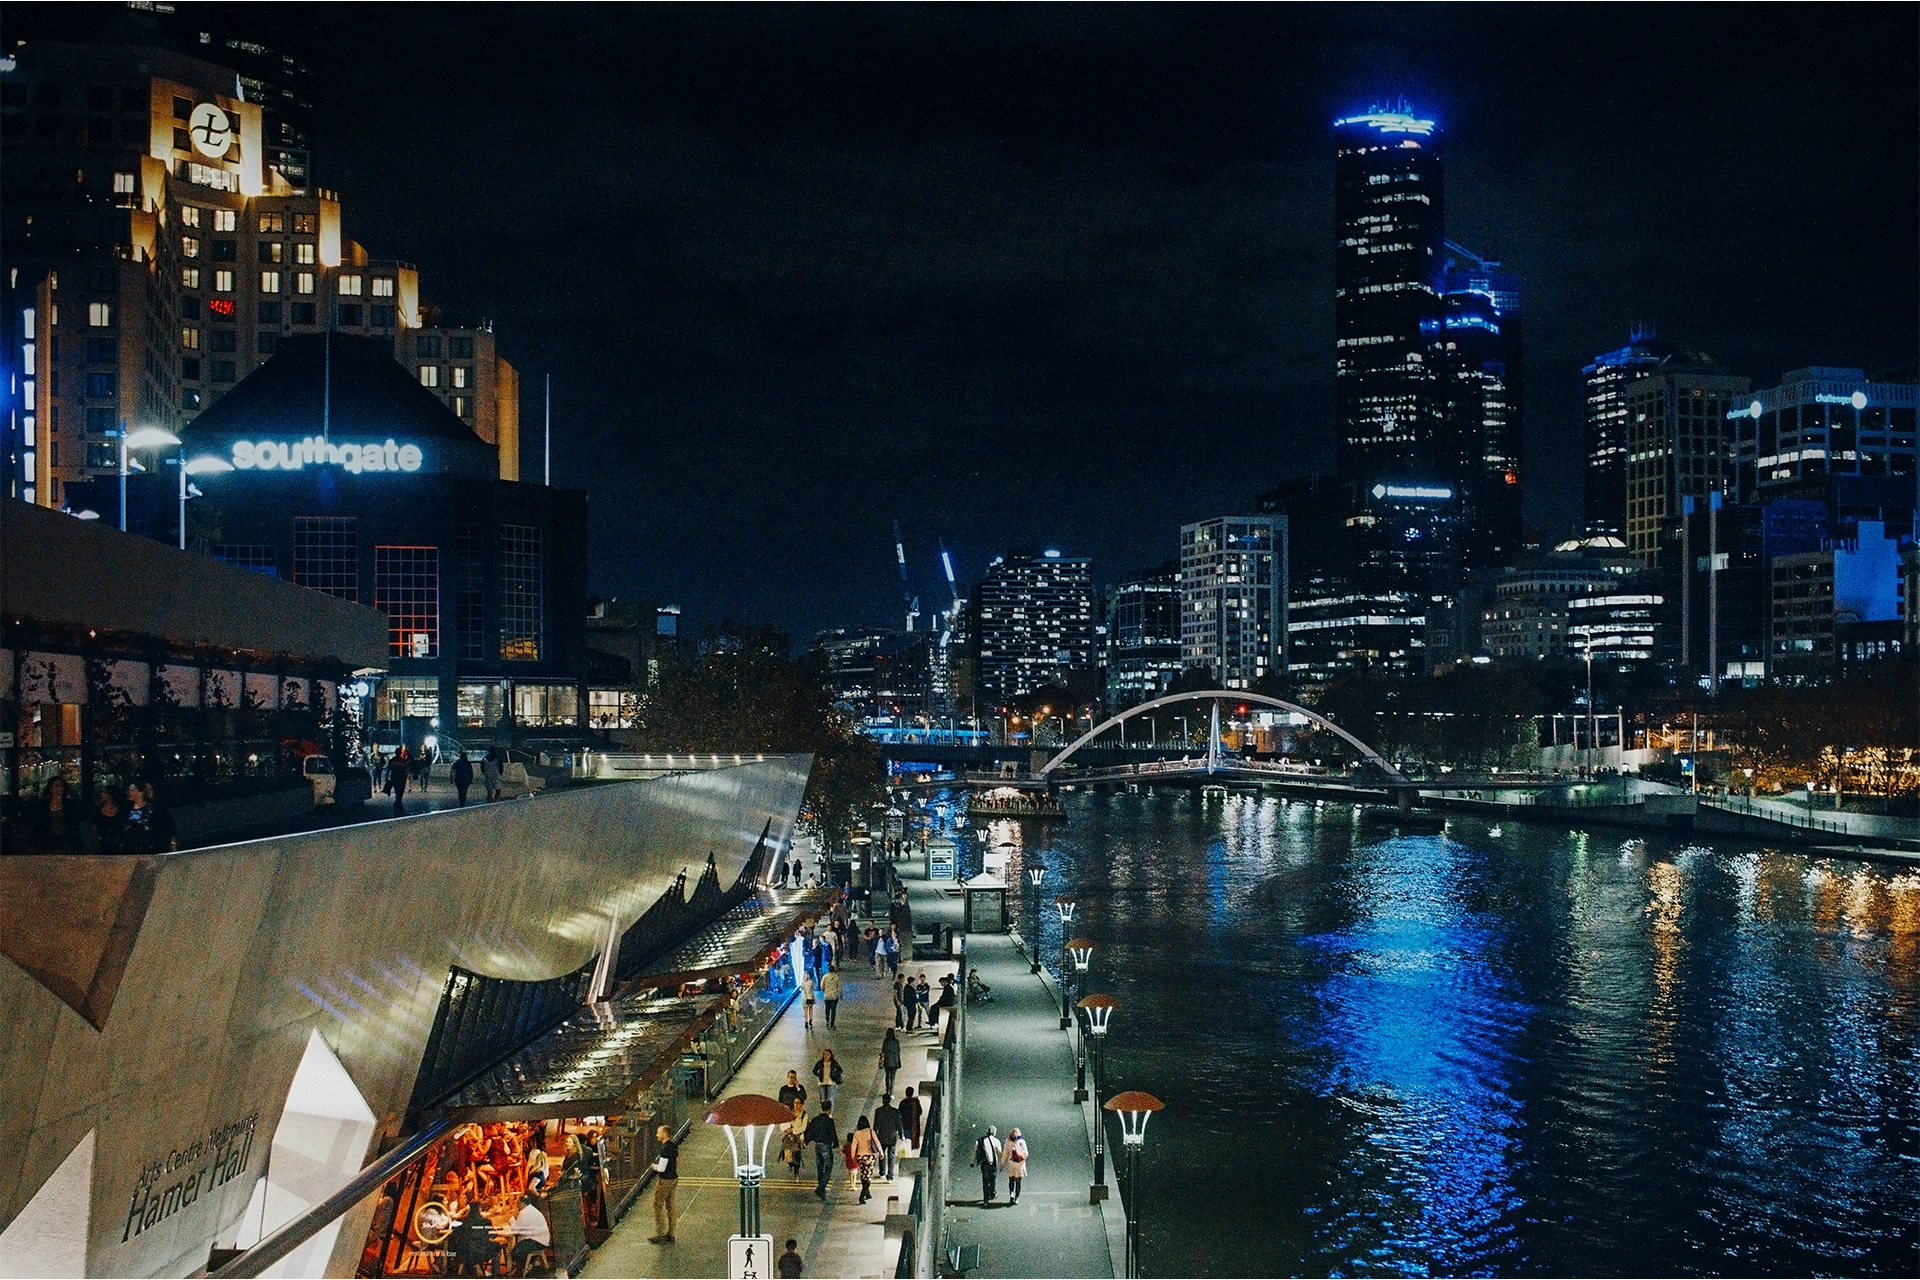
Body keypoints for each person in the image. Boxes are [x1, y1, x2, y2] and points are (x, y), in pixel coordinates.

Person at [648, 1124, 679, 1243]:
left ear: (665, 1134)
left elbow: (661, 1168)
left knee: (658, 1205)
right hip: (674, 1178)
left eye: (659, 1133)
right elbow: (677, 1162)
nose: (657, 1135)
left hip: (665, 1180)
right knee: (671, 1206)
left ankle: (660, 1233)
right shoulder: (673, 1146)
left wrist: (653, 1166)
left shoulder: (665, 1149)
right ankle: (671, 1233)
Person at [34, 777, 82, 853]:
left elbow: (73, 824)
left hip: (64, 840)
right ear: (50, 788)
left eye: (61, 786)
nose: (59, 788)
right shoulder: (43, 805)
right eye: (56, 786)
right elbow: (38, 823)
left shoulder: (69, 805)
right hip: (47, 839)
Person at [804, 1102, 839, 1200]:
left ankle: (821, 1190)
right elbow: (833, 1133)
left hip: (817, 1145)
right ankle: (820, 1188)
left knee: (820, 1167)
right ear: (830, 1109)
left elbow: (810, 1132)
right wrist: (836, 1144)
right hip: (826, 1145)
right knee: (828, 1167)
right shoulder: (829, 1121)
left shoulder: (815, 1120)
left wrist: (806, 1141)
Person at [507, 1196, 551, 1273]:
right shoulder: (531, 1210)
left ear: (523, 1204)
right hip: (541, 1240)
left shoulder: (524, 1213)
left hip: (537, 1241)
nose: (517, 1205)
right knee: (519, 1246)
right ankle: (532, 1264)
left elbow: (516, 1230)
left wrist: (512, 1218)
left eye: (518, 1203)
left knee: (516, 1252)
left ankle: (526, 1268)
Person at [873, 1093, 902, 1181]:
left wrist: (874, 1137)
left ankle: (882, 1172)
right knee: (891, 1156)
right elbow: (899, 1124)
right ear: (890, 1100)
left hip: (881, 1136)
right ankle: (890, 1176)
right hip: (892, 1137)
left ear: (882, 1100)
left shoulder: (878, 1111)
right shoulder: (895, 1111)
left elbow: (875, 1125)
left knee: (882, 1154)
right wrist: (901, 1135)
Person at [849, 1117, 879, 1203]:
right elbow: (877, 1142)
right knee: (868, 1176)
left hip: (860, 1157)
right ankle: (862, 1195)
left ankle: (867, 1193)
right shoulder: (870, 1131)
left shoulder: (856, 1134)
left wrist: (853, 1157)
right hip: (869, 1157)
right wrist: (881, 1152)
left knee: (863, 1174)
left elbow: (853, 1147)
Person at [972, 1126, 1003, 1204]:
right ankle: (992, 1193)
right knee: (993, 1179)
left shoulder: (980, 1140)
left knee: (985, 1181)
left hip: (984, 1163)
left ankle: (985, 1199)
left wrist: (972, 1162)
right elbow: (999, 1152)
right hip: (993, 1163)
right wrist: (1002, 1162)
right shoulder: (996, 1141)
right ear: (994, 1132)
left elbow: (975, 1151)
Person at [92, 788, 126, 854]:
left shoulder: (120, 809)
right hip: (101, 843)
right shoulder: (97, 809)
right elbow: (93, 826)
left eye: (104, 792)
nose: (102, 794)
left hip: (117, 844)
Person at [781, 1098, 808, 1179]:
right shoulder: (790, 1113)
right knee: (788, 1154)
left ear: (802, 1104)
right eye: (795, 1103)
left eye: (798, 1103)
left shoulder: (804, 1114)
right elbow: (784, 1123)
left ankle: (796, 1172)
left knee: (797, 1155)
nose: (796, 1105)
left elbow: (803, 1128)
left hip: (799, 1138)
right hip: (790, 1137)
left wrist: (793, 1130)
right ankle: (790, 1164)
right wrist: (786, 1129)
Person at [1001, 1128, 1029, 1205]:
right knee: (1018, 1182)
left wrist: (1002, 1163)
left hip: (1011, 1163)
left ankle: (1011, 1193)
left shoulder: (1008, 1141)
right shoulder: (1022, 1142)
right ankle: (1017, 1197)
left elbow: (1005, 1153)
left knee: (1011, 1180)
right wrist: (1021, 1158)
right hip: (1020, 1165)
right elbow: (1026, 1153)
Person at [879, 1028, 902, 1098]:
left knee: (887, 1076)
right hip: (894, 1062)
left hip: (887, 1061)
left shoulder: (885, 1041)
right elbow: (898, 1051)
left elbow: (883, 1051)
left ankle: (887, 1091)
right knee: (892, 1078)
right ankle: (891, 1092)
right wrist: (899, 1062)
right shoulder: (896, 1041)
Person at [386, 748, 409, 814]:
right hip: (401, 778)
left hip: (395, 778)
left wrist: (387, 778)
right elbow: (406, 770)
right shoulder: (403, 761)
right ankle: (398, 802)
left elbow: (388, 769)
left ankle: (398, 802)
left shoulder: (392, 760)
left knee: (397, 790)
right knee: (400, 791)